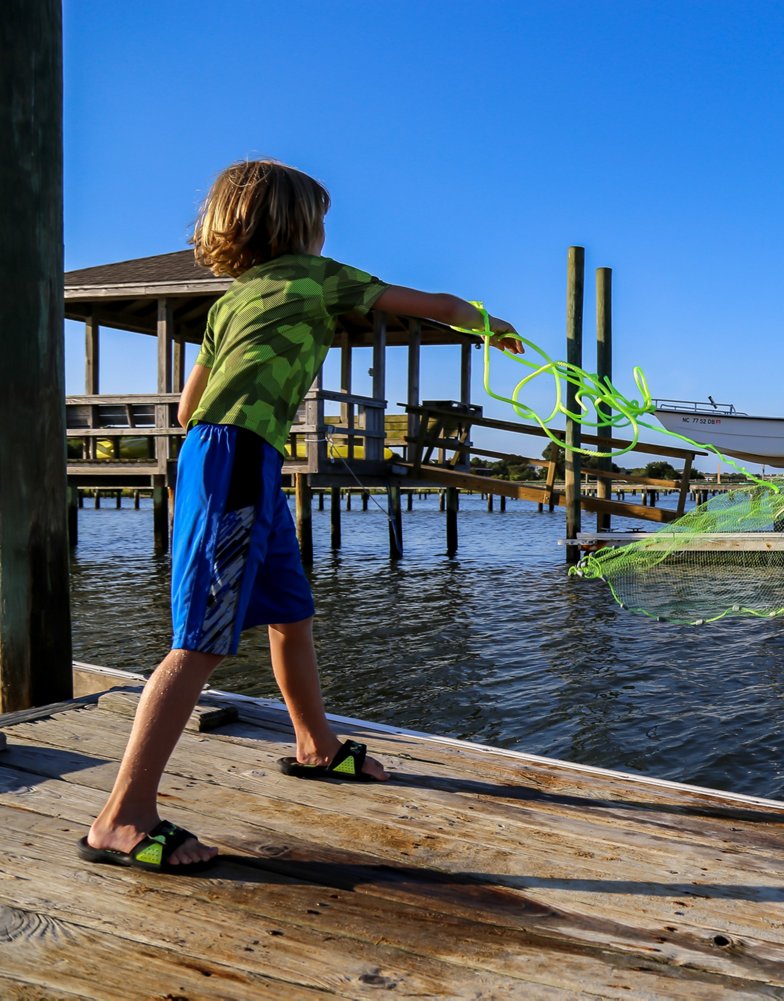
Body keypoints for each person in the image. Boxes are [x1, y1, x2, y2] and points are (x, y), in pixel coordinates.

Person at [79, 159, 520, 874]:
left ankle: (315, 745)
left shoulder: (231, 301)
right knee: (202, 639)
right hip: (236, 462)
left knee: (290, 609)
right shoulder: (318, 278)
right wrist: (490, 325)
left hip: (228, 455)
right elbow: (433, 304)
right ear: (301, 228)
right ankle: (122, 816)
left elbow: (189, 409)